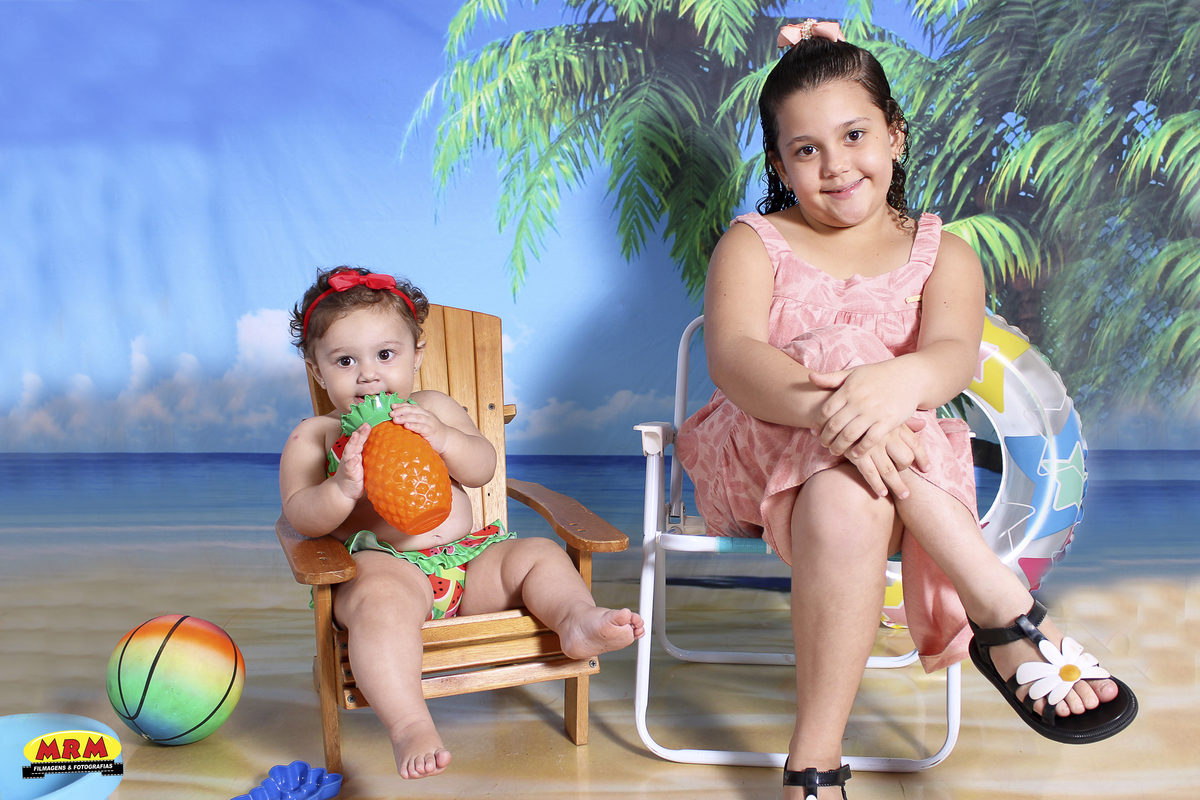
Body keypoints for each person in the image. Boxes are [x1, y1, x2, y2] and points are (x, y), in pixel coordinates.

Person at [675, 20, 1137, 799]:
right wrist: (844, 402)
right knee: (843, 355)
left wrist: (893, 386)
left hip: (888, 479)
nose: (834, 165)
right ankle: (1000, 606)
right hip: (761, 452)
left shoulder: (943, 252)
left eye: (854, 135)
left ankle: (812, 763)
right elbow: (737, 362)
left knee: (848, 488)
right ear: (779, 164)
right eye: (806, 150)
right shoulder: (754, 242)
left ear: (893, 133)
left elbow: (952, 358)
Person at [279, 266, 644, 780]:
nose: (368, 375)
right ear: (317, 371)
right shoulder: (316, 436)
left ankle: (576, 621)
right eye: (345, 361)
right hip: (389, 572)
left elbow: (482, 467)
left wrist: (445, 440)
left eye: (385, 354)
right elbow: (298, 514)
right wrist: (340, 488)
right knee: (379, 606)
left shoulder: (432, 408)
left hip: (470, 564)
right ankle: (410, 725)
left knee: (540, 554)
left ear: (416, 355)